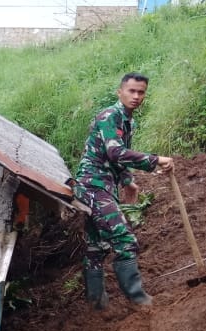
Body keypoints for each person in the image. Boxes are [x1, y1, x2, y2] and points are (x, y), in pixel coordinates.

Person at [75, 72, 174, 308]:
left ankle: (96, 305)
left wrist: (128, 180)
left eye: (141, 92)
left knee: (96, 247)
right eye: (132, 91)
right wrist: (155, 160)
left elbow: (118, 159)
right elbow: (116, 153)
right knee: (125, 239)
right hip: (93, 186)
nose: (136, 96)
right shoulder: (110, 116)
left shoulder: (128, 121)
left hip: (101, 186)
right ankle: (139, 299)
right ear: (120, 92)